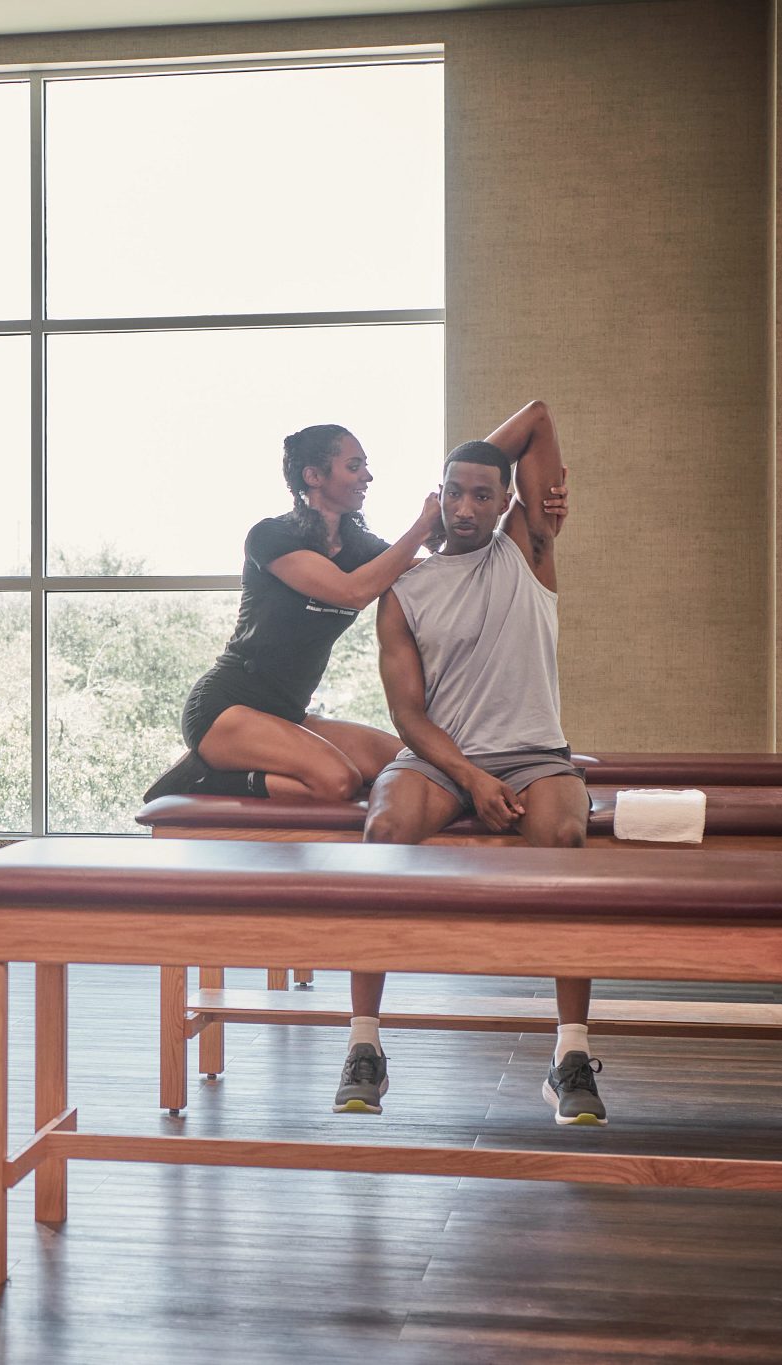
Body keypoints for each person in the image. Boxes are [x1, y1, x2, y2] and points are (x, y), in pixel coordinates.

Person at [332, 399, 605, 1125]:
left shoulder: (527, 547)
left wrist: (497, 468)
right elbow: (408, 716)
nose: (465, 505)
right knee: (383, 830)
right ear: (437, 495)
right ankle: (364, 1045)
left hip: (535, 755)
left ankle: (570, 1054)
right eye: (453, 491)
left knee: (567, 842)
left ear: (506, 500)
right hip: (442, 760)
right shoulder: (405, 590)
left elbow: (543, 416)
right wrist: (473, 777)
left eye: (482, 493)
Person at [148, 425, 569, 805]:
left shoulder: (363, 549)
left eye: (366, 466)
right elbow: (350, 593)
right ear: (314, 476)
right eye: (354, 466)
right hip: (228, 707)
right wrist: (423, 525)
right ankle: (203, 778)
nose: (367, 476)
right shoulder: (271, 536)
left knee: (415, 764)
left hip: (286, 712)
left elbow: (441, 566)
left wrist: (533, 524)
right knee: (337, 781)